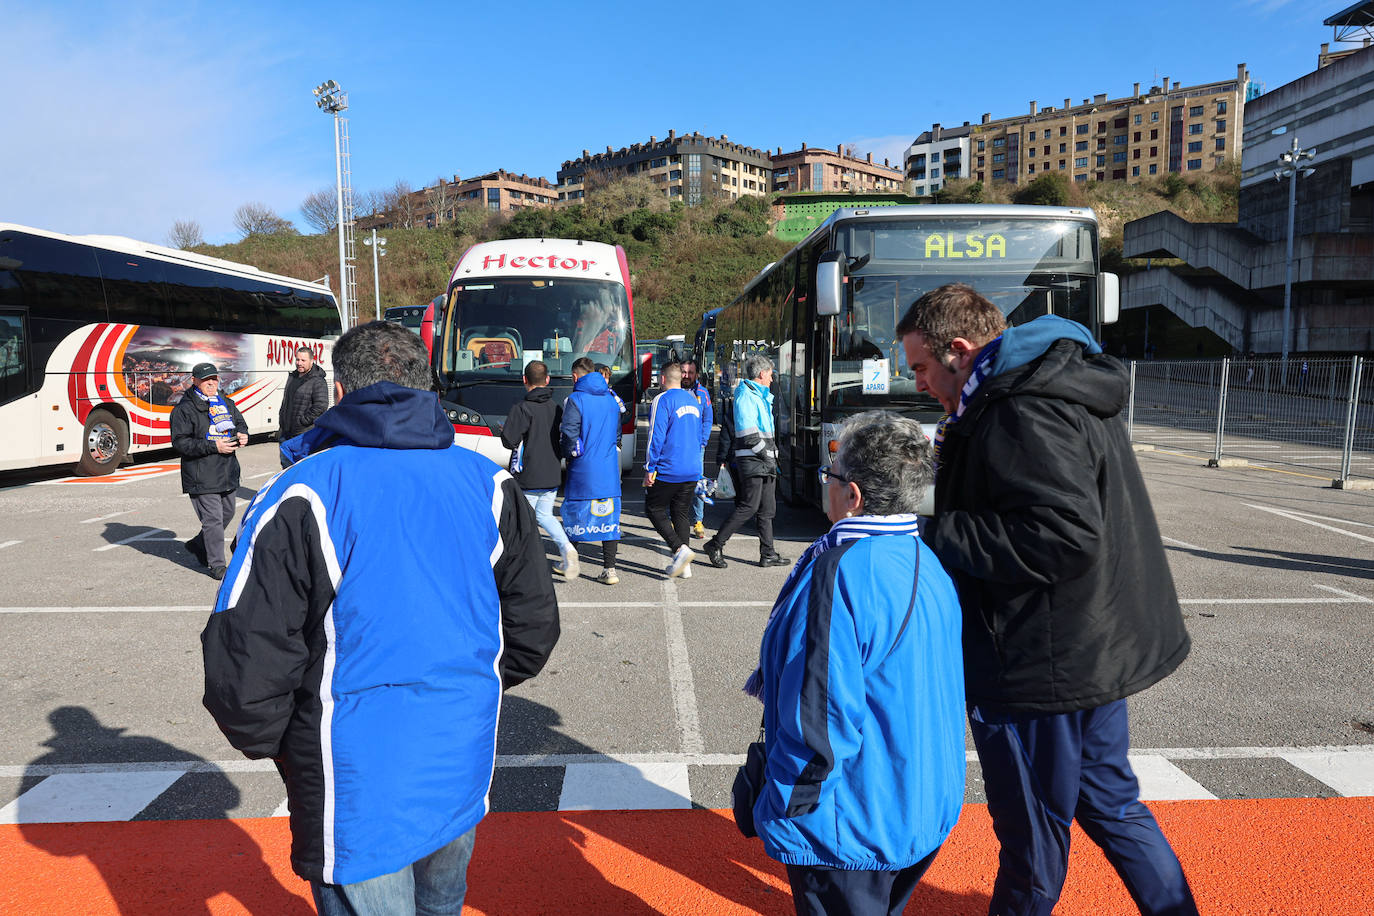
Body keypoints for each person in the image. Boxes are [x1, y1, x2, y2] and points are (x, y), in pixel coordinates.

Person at [201, 321, 559, 916]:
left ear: (341, 392)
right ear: (428, 386)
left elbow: (246, 655)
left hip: (354, 772)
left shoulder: (303, 491)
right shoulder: (488, 483)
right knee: (441, 903)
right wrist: (468, 690)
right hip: (459, 750)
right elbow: (531, 630)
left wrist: (289, 749)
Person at [897, 283, 1197, 916]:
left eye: (921, 367)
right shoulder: (1051, 383)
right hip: (1089, 644)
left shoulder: (1017, 406)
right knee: (1109, 803)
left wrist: (931, 532)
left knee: (1032, 835)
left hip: (1040, 660)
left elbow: (1059, 535)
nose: (919, 384)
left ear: (959, 350)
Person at [748, 410, 964, 916]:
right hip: (914, 800)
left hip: (852, 820)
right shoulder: (925, 558)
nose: (826, 483)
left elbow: (819, 714)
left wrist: (781, 806)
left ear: (854, 494)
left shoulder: (840, 570)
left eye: (831, 473)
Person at [703, 354, 789, 569]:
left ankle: (767, 553)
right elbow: (749, 435)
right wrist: (768, 456)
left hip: (763, 459)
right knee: (749, 507)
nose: (772, 378)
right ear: (762, 374)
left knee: (767, 510)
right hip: (753, 459)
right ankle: (715, 544)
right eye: (770, 374)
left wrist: (772, 456)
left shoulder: (759, 395)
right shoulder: (746, 396)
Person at [501, 359, 579, 580]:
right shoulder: (556, 408)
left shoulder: (521, 408)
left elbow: (509, 440)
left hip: (528, 476)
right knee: (545, 515)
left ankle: (524, 566)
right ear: (547, 380)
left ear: (524, 380)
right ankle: (566, 548)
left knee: (521, 521)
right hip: (552, 473)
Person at [171, 362, 248, 580]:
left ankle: (198, 544)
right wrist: (213, 446)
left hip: (226, 471)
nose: (211, 383)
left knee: (228, 512)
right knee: (213, 519)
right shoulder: (184, 409)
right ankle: (217, 564)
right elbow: (180, 442)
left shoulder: (225, 402)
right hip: (201, 473)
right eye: (206, 380)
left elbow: (240, 423)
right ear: (194, 381)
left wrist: (242, 434)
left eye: (214, 379)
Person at [560, 356, 623, 585]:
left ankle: (569, 562)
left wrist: (567, 454)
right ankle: (610, 569)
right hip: (608, 469)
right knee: (609, 521)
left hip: (583, 470)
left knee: (575, 515)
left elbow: (569, 433)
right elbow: (617, 434)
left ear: (575, 376)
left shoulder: (575, 399)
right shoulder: (611, 399)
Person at [643, 362, 702, 579]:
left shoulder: (662, 399)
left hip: (670, 467)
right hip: (692, 467)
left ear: (663, 379)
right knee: (681, 512)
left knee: (654, 508)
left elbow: (655, 437)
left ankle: (679, 549)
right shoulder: (693, 399)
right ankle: (684, 566)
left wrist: (650, 467)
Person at [278, 345, 329, 467]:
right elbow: (287, 401)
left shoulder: (318, 381)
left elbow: (321, 406)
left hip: (303, 435)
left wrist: (302, 421)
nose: (299, 363)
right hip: (285, 434)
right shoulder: (293, 377)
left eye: (303, 360)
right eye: (297, 359)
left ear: (312, 361)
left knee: (300, 469)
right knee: (286, 470)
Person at [680, 357, 714, 539]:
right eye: (684, 372)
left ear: (696, 374)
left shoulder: (703, 393)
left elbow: (708, 418)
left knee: (698, 483)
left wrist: (703, 440)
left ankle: (698, 521)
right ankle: (676, 517)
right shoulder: (674, 390)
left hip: (696, 447)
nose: (686, 376)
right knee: (676, 482)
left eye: (690, 372)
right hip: (677, 447)